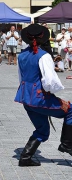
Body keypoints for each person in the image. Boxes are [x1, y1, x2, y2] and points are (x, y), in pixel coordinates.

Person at [15, 23, 72, 166]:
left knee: (42, 130)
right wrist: (54, 95)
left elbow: (21, 78)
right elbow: (50, 81)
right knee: (70, 110)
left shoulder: (21, 56)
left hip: (26, 98)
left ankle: (25, 158)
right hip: (39, 98)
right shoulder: (44, 56)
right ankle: (67, 144)